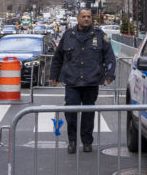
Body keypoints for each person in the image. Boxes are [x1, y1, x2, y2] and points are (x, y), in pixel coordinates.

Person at [50, 8, 116, 154]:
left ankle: (87, 142)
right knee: (71, 112)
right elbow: (58, 57)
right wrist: (53, 76)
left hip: (91, 81)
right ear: (78, 18)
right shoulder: (68, 35)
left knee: (88, 113)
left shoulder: (100, 35)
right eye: (83, 16)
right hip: (72, 80)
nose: (86, 19)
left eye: (88, 16)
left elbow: (109, 56)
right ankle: (72, 141)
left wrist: (110, 74)